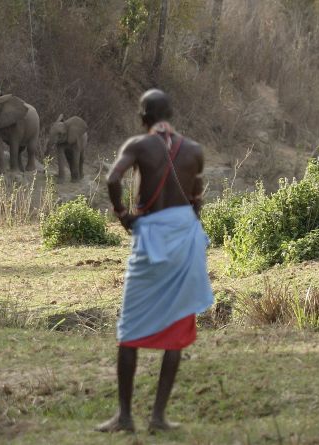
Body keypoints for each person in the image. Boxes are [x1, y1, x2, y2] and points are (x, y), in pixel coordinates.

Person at [98, 89, 214, 433]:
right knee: (178, 324)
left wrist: (122, 214)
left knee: (130, 327)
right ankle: (158, 417)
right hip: (183, 237)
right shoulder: (194, 151)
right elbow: (196, 196)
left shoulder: (138, 145)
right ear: (171, 114)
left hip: (149, 237)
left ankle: (125, 416)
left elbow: (113, 178)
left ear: (142, 117)